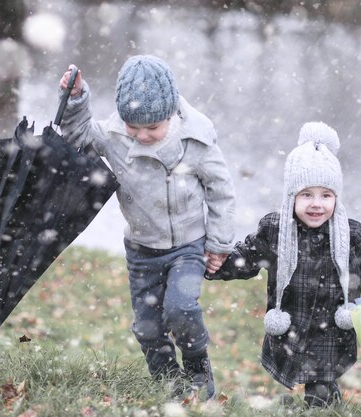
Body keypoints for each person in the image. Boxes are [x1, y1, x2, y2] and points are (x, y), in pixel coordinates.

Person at [206, 121, 361, 407]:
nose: (317, 204)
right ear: (292, 197)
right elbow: (246, 258)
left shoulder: (350, 235)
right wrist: (216, 263)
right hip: (291, 326)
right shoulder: (275, 230)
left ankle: (323, 408)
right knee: (299, 373)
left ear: (336, 197)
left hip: (332, 334)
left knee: (322, 389)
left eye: (326, 195)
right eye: (306, 195)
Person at [58, 55, 236, 400]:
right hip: (141, 250)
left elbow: (221, 191)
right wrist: (76, 99)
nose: (141, 136)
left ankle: (198, 366)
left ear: (170, 114)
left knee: (181, 308)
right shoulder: (115, 137)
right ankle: (170, 385)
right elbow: (76, 135)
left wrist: (219, 243)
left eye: (152, 128)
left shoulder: (195, 141)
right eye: (133, 127)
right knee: (148, 328)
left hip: (187, 247)